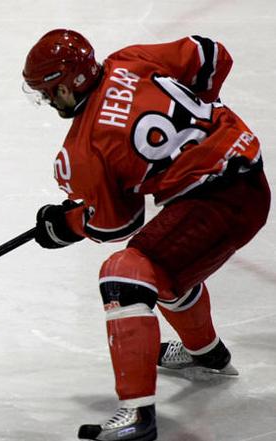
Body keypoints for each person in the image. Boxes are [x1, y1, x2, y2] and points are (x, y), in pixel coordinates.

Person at [22, 29, 270, 441]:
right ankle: (206, 355)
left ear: (65, 86)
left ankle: (137, 415)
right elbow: (209, 53)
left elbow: (116, 224)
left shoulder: (83, 147)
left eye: (49, 93)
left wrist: (64, 225)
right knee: (161, 267)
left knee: (125, 273)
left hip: (219, 202)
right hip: (248, 173)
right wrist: (205, 114)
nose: (49, 102)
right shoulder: (129, 60)